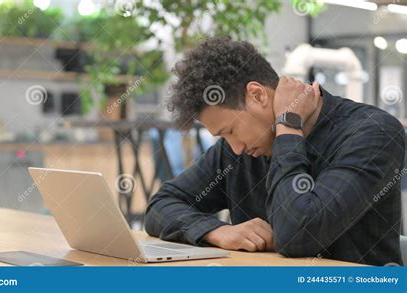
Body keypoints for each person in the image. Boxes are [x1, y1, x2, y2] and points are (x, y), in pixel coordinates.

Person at [144, 37, 405, 266]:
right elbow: (161, 205)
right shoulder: (238, 150)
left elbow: (297, 236)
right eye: (222, 137)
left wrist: (288, 127)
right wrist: (215, 231)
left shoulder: (373, 133)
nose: (234, 147)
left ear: (257, 95)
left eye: (230, 130)